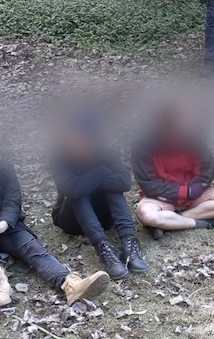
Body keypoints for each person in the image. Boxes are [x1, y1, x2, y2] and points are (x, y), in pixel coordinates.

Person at [0, 119, 110, 311]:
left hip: (7, 225)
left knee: (34, 250)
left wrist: (2, 224)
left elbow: (12, 201)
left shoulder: (2, 166)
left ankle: (70, 284)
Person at [50, 112, 148, 281]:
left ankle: (129, 243)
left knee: (112, 189)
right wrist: (101, 172)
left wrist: (86, 182)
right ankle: (103, 247)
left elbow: (124, 182)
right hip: (71, 219)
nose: (77, 141)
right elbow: (72, 190)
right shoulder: (59, 158)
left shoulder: (104, 153)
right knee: (79, 193)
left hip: (104, 217)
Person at [133, 104, 214, 239]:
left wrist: (191, 192)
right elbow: (149, 183)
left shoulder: (195, 138)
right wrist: (186, 192)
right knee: (146, 214)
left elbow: (205, 173)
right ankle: (208, 222)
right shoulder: (144, 144)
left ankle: (172, 221)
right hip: (162, 198)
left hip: (195, 195)